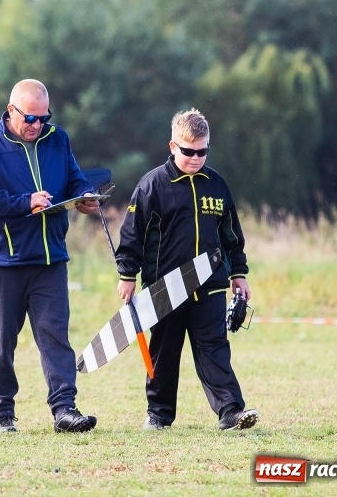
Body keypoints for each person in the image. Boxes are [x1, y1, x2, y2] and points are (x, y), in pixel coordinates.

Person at [0, 79, 100, 433]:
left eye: (43, 117)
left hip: (50, 259)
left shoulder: (58, 139)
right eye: (30, 118)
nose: (37, 125)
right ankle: (2, 412)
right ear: (11, 111)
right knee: (1, 341)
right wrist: (24, 203)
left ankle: (64, 410)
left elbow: (74, 180)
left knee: (55, 336)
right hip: (3, 260)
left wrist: (84, 196)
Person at [115, 108, 259, 431]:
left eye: (203, 151)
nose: (196, 158)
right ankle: (159, 414)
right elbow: (132, 233)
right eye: (188, 151)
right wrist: (127, 275)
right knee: (164, 353)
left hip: (210, 287)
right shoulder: (152, 185)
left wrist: (239, 274)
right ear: (172, 146)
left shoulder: (217, 185)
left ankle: (231, 412)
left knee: (215, 350)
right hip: (164, 288)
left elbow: (232, 234)